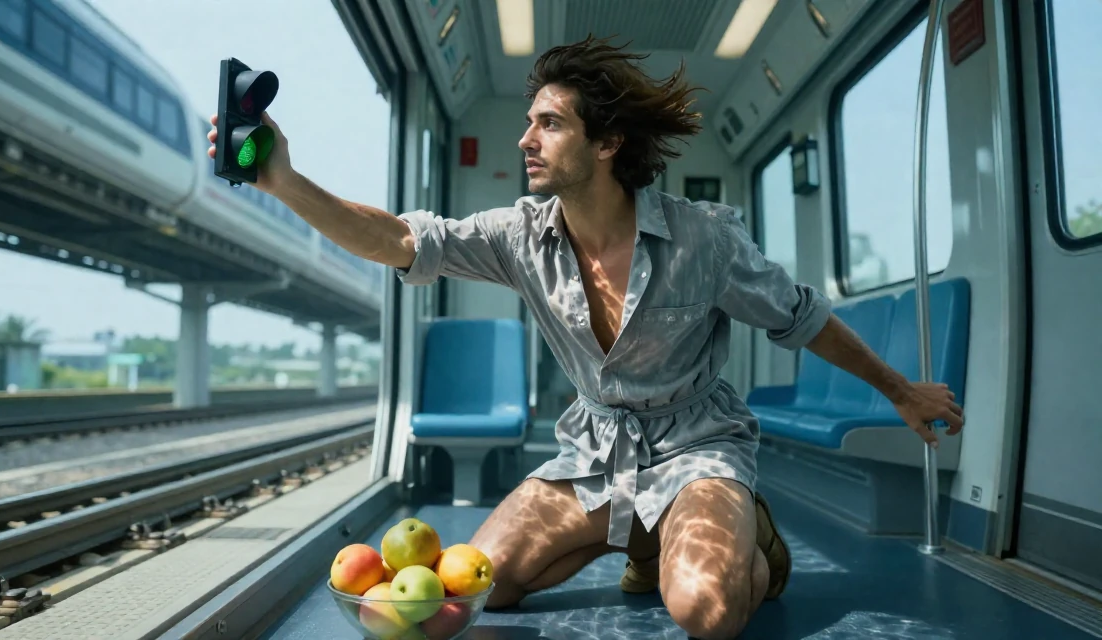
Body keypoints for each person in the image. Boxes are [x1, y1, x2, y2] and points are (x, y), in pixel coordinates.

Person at [208, 35, 964, 640]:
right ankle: (640, 536)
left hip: (696, 445)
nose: (525, 137)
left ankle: (750, 541)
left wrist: (900, 390)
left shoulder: (705, 240)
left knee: (706, 612)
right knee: (485, 587)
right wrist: (283, 178)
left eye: (550, 122)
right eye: (529, 121)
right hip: (595, 451)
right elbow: (398, 239)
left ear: (606, 145)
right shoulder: (518, 236)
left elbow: (805, 319)